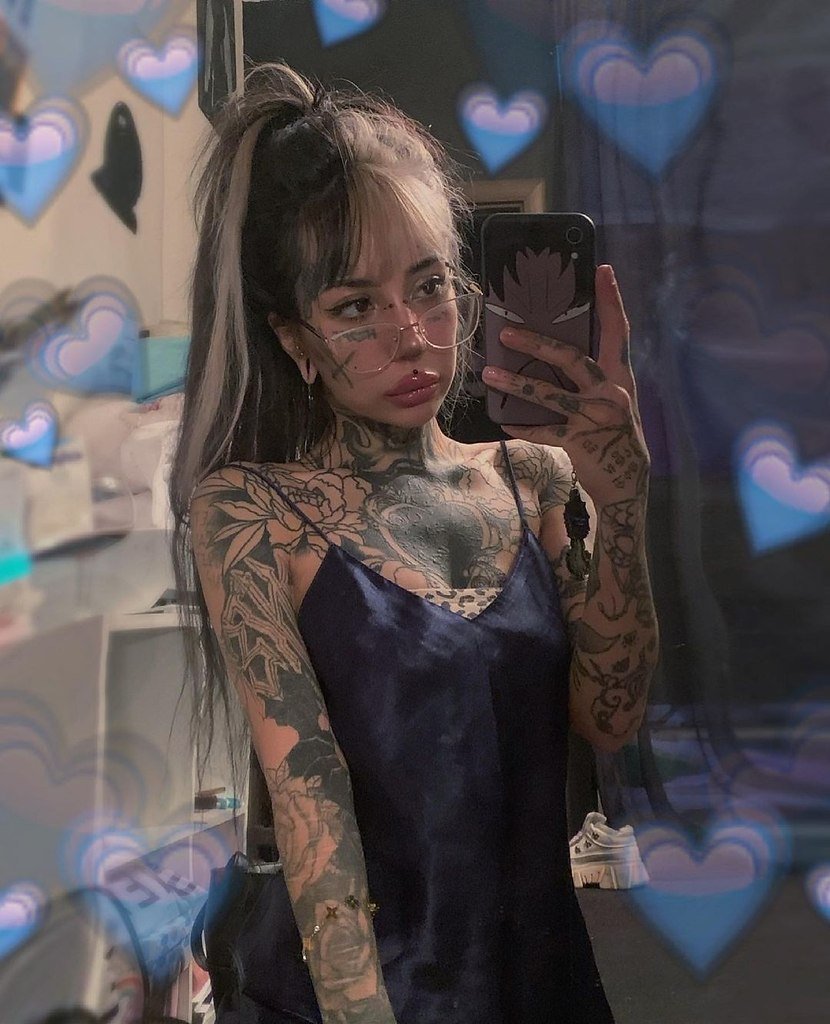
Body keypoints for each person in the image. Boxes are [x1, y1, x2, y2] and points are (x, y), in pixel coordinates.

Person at [169, 61, 658, 1024]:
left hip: (542, 979)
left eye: (430, 287)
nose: (412, 335)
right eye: (356, 306)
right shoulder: (252, 514)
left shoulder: (532, 480)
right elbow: (310, 806)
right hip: (360, 994)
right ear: (296, 339)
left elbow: (610, 719)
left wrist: (625, 505)